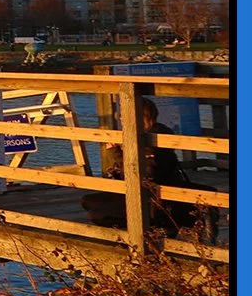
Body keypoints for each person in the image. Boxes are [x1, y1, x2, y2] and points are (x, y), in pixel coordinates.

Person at [81, 94, 214, 241]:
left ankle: (146, 232)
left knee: (97, 214)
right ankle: (145, 230)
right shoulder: (144, 134)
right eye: (121, 116)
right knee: (88, 201)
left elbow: (142, 175)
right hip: (141, 190)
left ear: (141, 117)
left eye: (124, 116)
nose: (121, 120)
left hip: (152, 197)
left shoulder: (150, 139)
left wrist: (116, 153)